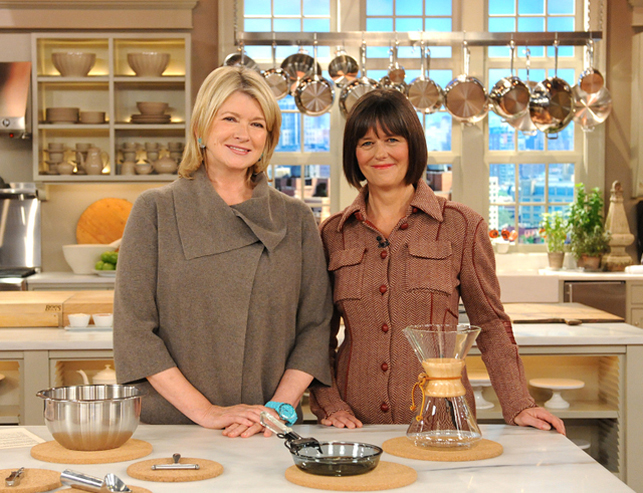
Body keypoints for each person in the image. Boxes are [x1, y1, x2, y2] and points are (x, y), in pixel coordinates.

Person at [309, 89, 565, 435]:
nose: (380, 153)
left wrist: (519, 403)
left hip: (442, 424)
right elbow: (317, 336)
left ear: (413, 145)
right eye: (367, 143)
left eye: (392, 139)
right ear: (353, 154)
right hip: (353, 427)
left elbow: (490, 324)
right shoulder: (332, 234)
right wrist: (330, 404)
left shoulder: (462, 226)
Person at [113, 66, 333, 438]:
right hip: (175, 428)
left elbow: (315, 326)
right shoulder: (155, 210)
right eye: (229, 118)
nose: (243, 134)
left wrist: (277, 410)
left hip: (266, 430)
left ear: (268, 138)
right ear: (201, 127)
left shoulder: (295, 218)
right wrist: (208, 412)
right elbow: (134, 331)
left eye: (257, 124)